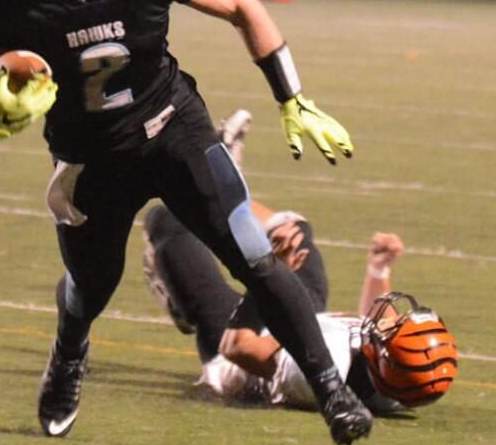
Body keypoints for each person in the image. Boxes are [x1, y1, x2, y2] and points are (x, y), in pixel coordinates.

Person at [0, 0, 371, 445]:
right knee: (92, 286)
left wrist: (292, 96)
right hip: (88, 155)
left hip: (171, 126)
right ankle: (69, 353)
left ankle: (333, 389)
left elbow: (240, 5)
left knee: (252, 254)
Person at [141, 112, 457, 413]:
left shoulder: (319, 370)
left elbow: (237, 348)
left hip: (238, 345)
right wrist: (379, 268)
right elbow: (380, 331)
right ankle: (227, 191)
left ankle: (185, 288)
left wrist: (269, 274)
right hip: (303, 321)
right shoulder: (396, 381)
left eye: (395, 325)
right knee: (294, 230)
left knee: (171, 220)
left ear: (382, 358)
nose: (393, 316)